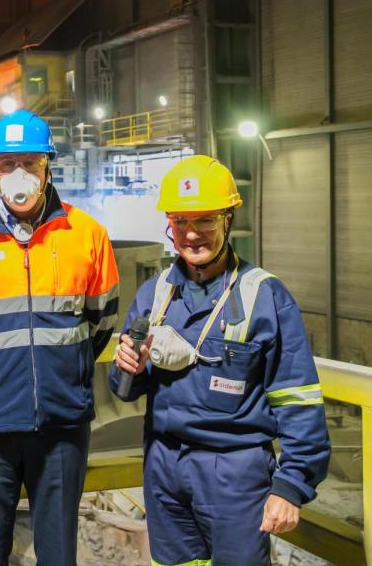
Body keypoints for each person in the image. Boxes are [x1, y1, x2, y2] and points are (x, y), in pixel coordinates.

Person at [110, 155, 330, 565]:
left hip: (234, 471)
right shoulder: (154, 295)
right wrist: (128, 370)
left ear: (228, 220)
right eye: (180, 222)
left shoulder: (265, 297)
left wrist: (291, 485)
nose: (192, 235)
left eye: (206, 220)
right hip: (163, 463)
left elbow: (298, 397)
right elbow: (124, 390)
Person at [0, 110, 120, 565]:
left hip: (61, 426)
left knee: (58, 554)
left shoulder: (87, 235)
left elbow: (101, 322)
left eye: (31, 163)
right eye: (6, 163)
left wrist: (63, 374)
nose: (19, 174)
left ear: (48, 166)